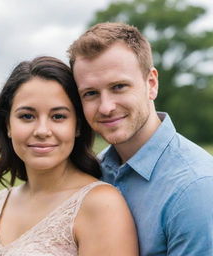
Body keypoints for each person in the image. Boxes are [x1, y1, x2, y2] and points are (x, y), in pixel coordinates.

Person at [67, 22, 213, 255]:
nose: (106, 107)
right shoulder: (93, 171)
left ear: (151, 84)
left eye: (119, 87)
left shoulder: (195, 188)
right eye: (91, 93)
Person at [0, 56, 138, 256]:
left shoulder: (100, 205)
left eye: (58, 116)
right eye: (27, 116)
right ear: (7, 125)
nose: (42, 130)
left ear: (77, 126)